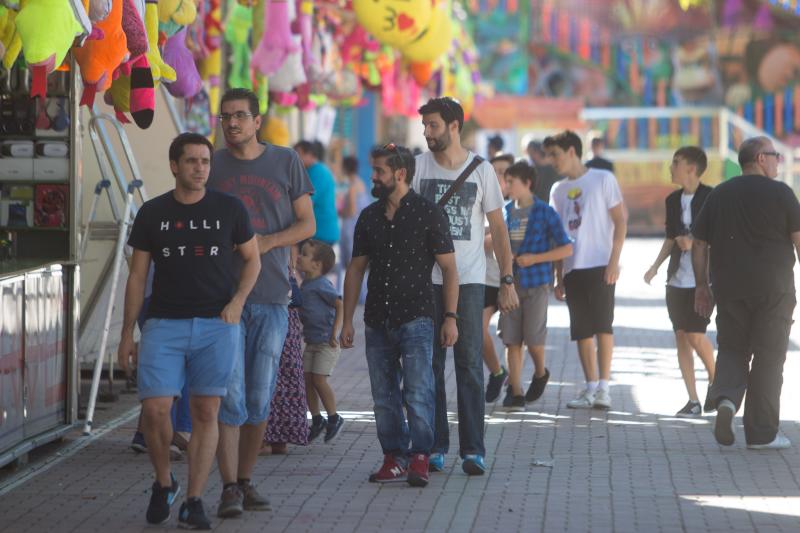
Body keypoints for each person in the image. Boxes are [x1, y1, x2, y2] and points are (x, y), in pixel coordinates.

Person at [117, 132, 261, 529]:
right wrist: (127, 332)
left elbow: (252, 261)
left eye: (205, 161)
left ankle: (194, 499)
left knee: (205, 410)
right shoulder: (152, 213)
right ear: (174, 166)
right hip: (163, 323)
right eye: (192, 161)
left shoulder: (230, 209)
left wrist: (237, 303)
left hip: (217, 325)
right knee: (155, 409)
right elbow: (137, 276)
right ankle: (164, 482)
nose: (200, 168)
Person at [208, 88, 315, 519]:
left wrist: (269, 240)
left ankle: (246, 480)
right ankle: (229, 487)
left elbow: (308, 222)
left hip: (272, 296)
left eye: (240, 116)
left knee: (259, 397)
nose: (232, 123)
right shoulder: (209, 164)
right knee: (228, 397)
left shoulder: (285, 160)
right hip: (222, 298)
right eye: (225, 116)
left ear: (257, 120)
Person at [340, 143, 459, 487]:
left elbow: (449, 269)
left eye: (379, 171)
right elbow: (355, 269)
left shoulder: (428, 213)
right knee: (383, 396)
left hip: (418, 318)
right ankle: (393, 457)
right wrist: (347, 320)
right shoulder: (369, 216)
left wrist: (450, 317)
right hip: (377, 319)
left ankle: (420, 456)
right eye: (373, 170)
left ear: (400, 174)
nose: (373, 177)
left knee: (419, 390)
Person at [413, 97, 519, 475]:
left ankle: (473, 449)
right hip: (426, 281)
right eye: (424, 125)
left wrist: (506, 280)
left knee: (470, 365)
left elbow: (500, 230)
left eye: (434, 125)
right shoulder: (417, 167)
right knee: (429, 365)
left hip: (471, 280)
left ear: (454, 126)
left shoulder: (482, 170)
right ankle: (436, 445)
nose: (427, 132)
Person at [692, 136, 800, 449]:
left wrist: (701, 285)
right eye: (774, 155)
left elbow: (699, 243)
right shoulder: (782, 193)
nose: (778, 160)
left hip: (728, 288)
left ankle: (726, 400)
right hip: (774, 290)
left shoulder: (720, 193)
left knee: (732, 348)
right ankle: (762, 433)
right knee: (768, 357)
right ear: (760, 158)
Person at [546, 130, 627, 410]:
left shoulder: (603, 179)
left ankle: (605, 387)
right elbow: (557, 235)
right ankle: (590, 387)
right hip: (572, 267)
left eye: (555, 154)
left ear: (571, 151)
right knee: (580, 330)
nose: (552, 160)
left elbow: (620, 220)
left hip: (601, 264)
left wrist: (614, 261)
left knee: (602, 325)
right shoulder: (557, 190)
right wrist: (559, 276)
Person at [644, 146, 716, 417]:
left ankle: (717, 383)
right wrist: (654, 266)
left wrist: (696, 243)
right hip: (676, 280)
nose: (670, 167)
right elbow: (671, 237)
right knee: (681, 337)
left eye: (676, 162)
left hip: (702, 281)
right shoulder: (672, 200)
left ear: (691, 168)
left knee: (697, 336)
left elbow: (717, 237)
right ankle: (693, 400)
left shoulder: (711, 197)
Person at [499, 162, 572, 411]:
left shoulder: (544, 212)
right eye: (506, 181)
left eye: (511, 182)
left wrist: (535, 259)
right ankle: (516, 391)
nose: (507, 186)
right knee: (511, 339)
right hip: (510, 284)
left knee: (533, 338)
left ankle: (541, 373)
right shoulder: (506, 211)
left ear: (527, 183)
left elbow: (566, 247)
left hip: (537, 283)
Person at [296, 239, 345, 443]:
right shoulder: (305, 283)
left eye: (305, 254)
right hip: (312, 341)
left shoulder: (322, 285)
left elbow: (339, 304)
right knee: (307, 380)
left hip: (326, 342)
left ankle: (334, 417)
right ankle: (317, 419)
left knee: (318, 380)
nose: (299, 256)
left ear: (317, 264)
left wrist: (335, 332)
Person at [260, 259, 308, 456]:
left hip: (276, 307)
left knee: (268, 375)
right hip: (285, 307)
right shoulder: (286, 256)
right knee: (284, 375)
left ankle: (264, 439)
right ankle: (279, 439)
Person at [483, 153, 515, 402]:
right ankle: (497, 372)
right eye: (494, 171)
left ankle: (507, 379)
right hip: (478, 278)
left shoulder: (513, 209)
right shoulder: (482, 202)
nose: (498, 176)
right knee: (475, 330)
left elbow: (500, 239)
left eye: (503, 172)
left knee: (512, 337)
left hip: (502, 279)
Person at [295, 140, 340, 246]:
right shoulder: (315, 170)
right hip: (319, 232)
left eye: (298, 153)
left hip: (321, 233)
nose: (294, 158)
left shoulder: (317, 172)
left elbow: (305, 203)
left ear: (309, 154)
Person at [338, 155, 370, 269]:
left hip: (351, 227)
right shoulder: (360, 183)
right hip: (360, 226)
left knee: (350, 262)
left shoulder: (352, 186)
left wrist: (340, 213)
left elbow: (351, 211)